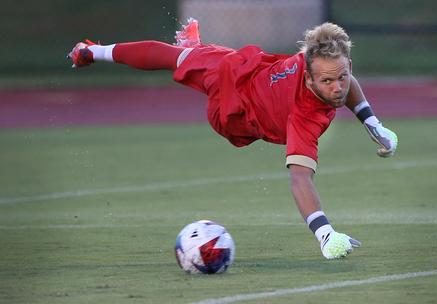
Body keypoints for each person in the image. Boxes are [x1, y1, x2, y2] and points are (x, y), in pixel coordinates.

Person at [68, 19, 398, 260]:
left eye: (341, 76)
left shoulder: (319, 63)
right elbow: (300, 180)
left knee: (186, 57)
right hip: (231, 108)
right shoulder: (304, 117)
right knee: (172, 58)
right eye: (327, 81)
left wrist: (372, 123)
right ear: (308, 77)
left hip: (248, 67)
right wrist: (325, 234)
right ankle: (93, 51)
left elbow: (346, 78)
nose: (338, 87)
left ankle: (193, 50)